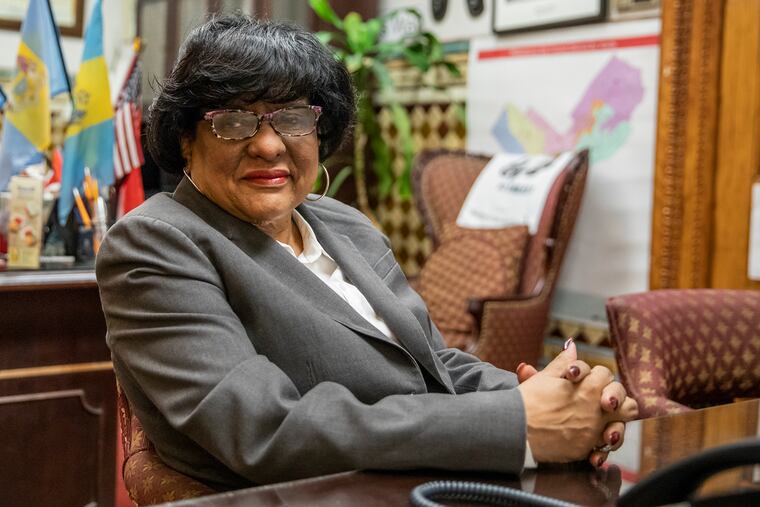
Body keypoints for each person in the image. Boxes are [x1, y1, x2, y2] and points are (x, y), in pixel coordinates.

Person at [96, 15, 638, 492]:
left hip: (416, 478)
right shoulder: (155, 242)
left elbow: (433, 365)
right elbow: (267, 429)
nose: (268, 144)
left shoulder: (345, 224)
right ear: (187, 139)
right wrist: (516, 425)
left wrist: (566, 398)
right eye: (233, 121)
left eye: (291, 117)